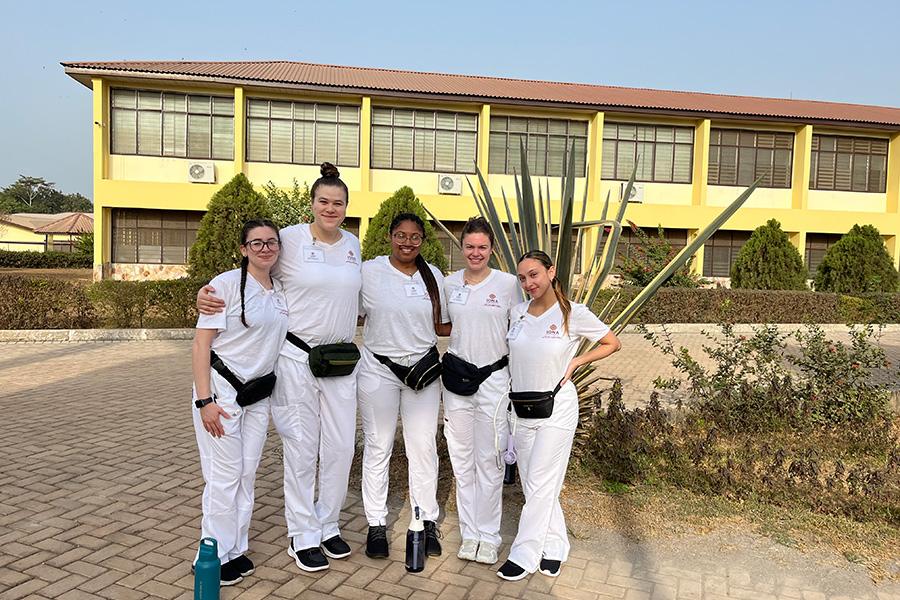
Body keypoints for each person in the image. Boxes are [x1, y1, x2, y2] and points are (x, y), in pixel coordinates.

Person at [197, 163, 362, 573]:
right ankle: (303, 534)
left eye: (338, 203)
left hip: (340, 360)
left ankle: (328, 523)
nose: (330, 208)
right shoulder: (286, 239)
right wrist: (204, 294)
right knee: (303, 448)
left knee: (341, 448)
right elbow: (248, 272)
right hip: (295, 359)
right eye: (323, 201)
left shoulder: (353, 245)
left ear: (346, 207)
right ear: (311, 204)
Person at [496, 250, 621, 582]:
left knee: (539, 481)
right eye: (522, 278)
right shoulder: (517, 312)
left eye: (534, 275)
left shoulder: (572, 313)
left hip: (558, 408)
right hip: (521, 409)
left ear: (551, 272)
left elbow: (612, 342)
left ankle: (524, 553)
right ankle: (555, 545)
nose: (528, 283)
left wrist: (577, 362)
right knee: (536, 483)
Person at [192, 219, 288, 586]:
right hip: (221, 392)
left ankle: (235, 549)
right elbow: (202, 343)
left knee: (247, 474)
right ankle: (211, 553)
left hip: (257, 394)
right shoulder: (226, 285)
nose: (265, 249)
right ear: (243, 248)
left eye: (271, 242)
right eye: (256, 243)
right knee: (223, 476)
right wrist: (205, 401)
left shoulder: (279, 290)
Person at [357, 213, 450, 559]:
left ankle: (426, 520)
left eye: (414, 237)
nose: (407, 242)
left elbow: (445, 324)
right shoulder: (369, 271)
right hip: (378, 369)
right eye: (400, 235)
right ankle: (376, 524)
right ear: (389, 236)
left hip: (421, 372)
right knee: (378, 445)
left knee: (423, 446)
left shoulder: (434, 276)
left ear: (422, 241)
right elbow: (342, 305)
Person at [441, 217, 520, 565]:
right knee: (461, 459)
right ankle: (469, 533)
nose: (475, 253)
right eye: (470, 247)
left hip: (494, 382)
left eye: (482, 247)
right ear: (462, 248)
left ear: (492, 250)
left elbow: (522, 329)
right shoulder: (448, 284)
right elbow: (442, 325)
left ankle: (489, 535)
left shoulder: (508, 285)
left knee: (489, 461)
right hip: (457, 381)